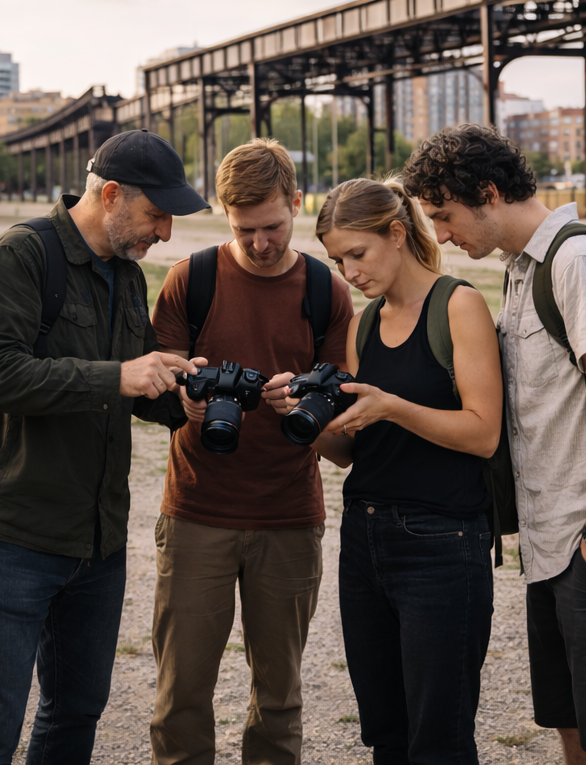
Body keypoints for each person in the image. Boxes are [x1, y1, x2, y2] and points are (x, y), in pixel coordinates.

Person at [402, 123, 586, 765]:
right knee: (576, 730)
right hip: (556, 545)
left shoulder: (578, 261)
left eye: (446, 216)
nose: (442, 234)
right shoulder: (521, 268)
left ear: (489, 192)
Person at [0, 129, 209, 765]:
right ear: (111, 195)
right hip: (14, 533)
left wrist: (178, 391)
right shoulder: (22, 254)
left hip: (97, 541)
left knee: (75, 715)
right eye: (157, 215)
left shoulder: (127, 274)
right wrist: (116, 375)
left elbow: (131, 383)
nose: (166, 234)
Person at [149, 138, 355, 765]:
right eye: (244, 230)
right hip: (196, 513)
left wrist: (305, 417)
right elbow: (157, 391)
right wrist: (184, 403)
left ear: (297, 202)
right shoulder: (193, 278)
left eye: (272, 226)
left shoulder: (327, 291)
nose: (261, 243)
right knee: (181, 694)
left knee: (280, 698)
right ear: (222, 213)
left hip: (289, 517)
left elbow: (346, 444)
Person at [310, 178, 501, 765]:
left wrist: (393, 405)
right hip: (364, 540)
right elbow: (354, 452)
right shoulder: (362, 325)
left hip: (442, 545)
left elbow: (484, 433)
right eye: (337, 260)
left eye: (357, 254)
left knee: (438, 740)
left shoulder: (458, 304)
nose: (349, 272)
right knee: (386, 734)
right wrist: (308, 423)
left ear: (396, 234)